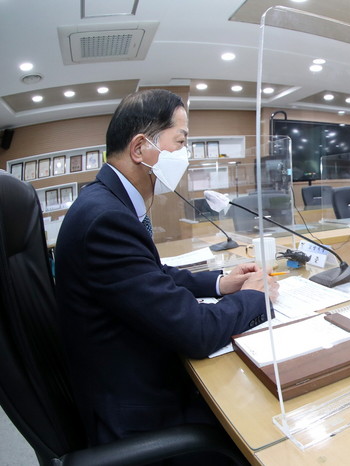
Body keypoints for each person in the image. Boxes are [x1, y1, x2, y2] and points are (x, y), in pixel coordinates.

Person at [54, 89, 280, 453]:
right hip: (139, 411)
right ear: (140, 148)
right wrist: (256, 295)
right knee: (259, 417)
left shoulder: (104, 203)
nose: (185, 154)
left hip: (132, 379)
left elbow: (153, 274)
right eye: (181, 141)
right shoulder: (105, 219)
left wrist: (222, 283)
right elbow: (197, 332)